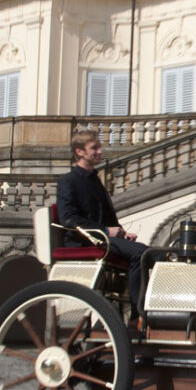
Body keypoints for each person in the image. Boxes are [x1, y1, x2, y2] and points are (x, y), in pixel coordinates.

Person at [56, 128, 148, 321]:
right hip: (85, 241)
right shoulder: (69, 181)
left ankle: (139, 311)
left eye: (98, 147)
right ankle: (136, 315)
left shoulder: (95, 181)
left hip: (101, 238)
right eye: (94, 148)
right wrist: (106, 230)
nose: (99, 151)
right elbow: (68, 219)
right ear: (79, 151)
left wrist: (121, 233)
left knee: (147, 252)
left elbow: (107, 217)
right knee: (140, 254)